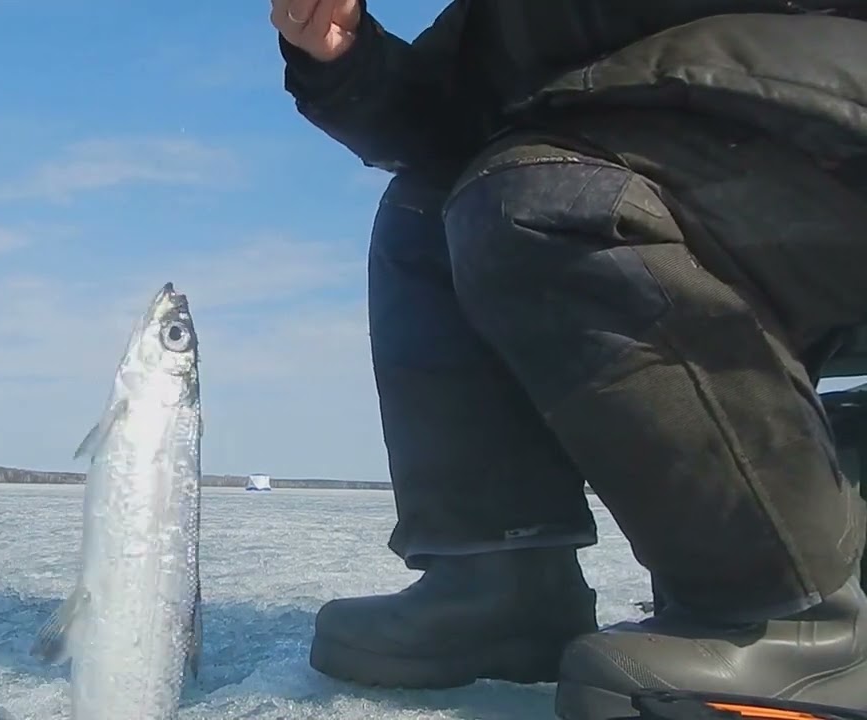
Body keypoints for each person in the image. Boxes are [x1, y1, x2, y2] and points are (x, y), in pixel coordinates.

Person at [270, 1, 867, 718]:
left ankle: (793, 614)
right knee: (426, 210)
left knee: (549, 195)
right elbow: (442, 113)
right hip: (678, 149)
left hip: (827, 133)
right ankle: (504, 583)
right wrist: (344, 56)